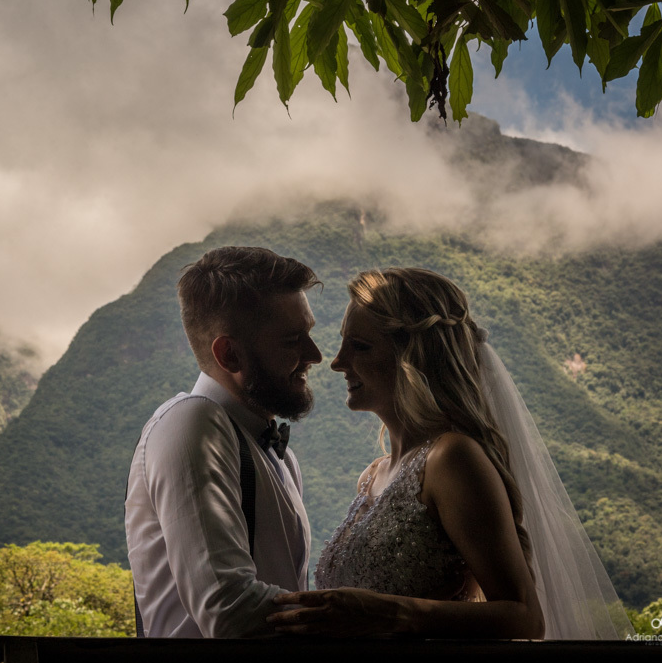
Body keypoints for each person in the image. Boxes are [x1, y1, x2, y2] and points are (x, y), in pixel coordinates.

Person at [267, 267, 632, 639]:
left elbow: (525, 617)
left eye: (360, 346)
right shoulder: (371, 476)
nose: (337, 362)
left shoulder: (453, 460)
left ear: (413, 357)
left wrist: (392, 613)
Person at [125, 246, 322, 637]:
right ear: (229, 354)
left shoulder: (282, 458)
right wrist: (360, 617)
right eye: (291, 341)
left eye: (309, 335)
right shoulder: (192, 423)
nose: (314, 355)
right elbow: (229, 609)